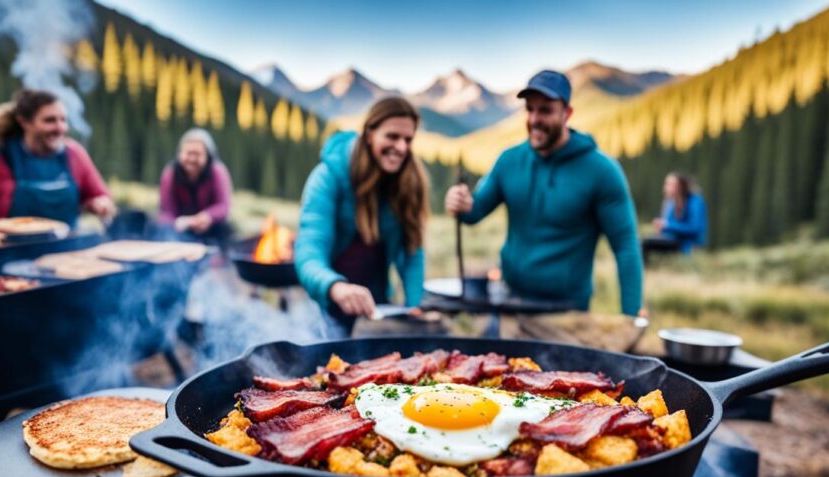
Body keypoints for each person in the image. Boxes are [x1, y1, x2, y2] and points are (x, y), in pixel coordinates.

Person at [444, 70, 643, 317]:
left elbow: (625, 247)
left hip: (567, 311)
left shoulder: (601, 171)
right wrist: (460, 204)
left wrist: (632, 318)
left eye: (545, 110)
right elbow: (475, 211)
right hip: (511, 301)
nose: (535, 119)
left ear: (566, 114)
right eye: (530, 109)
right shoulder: (509, 161)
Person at [295, 97, 429, 337]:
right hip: (329, 306)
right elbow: (308, 253)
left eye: (408, 140)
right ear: (369, 133)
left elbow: (412, 253)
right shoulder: (328, 177)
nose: (401, 148)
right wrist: (336, 287)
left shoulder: (409, 182)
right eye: (392, 136)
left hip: (378, 307)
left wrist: (413, 306)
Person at [0, 89, 116, 229]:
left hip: (68, 249)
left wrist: (99, 203)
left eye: (63, 120)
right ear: (24, 122)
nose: (60, 128)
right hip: (9, 254)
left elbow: (98, 194)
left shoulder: (74, 153)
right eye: (50, 120)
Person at [158, 128, 234, 246]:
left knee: (226, 228)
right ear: (180, 154)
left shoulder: (218, 171)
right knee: (159, 228)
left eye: (198, 154)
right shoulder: (170, 174)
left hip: (210, 229)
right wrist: (176, 223)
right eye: (188, 153)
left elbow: (224, 206)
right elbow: (166, 211)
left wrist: (207, 217)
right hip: (179, 231)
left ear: (207, 156)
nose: (192, 159)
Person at [643, 171, 707, 257]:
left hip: (688, 245)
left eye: (669, 185)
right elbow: (667, 228)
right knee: (641, 240)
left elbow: (694, 228)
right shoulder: (671, 203)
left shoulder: (695, 201)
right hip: (673, 241)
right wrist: (662, 227)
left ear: (680, 186)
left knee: (645, 243)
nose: (665, 188)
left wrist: (667, 225)